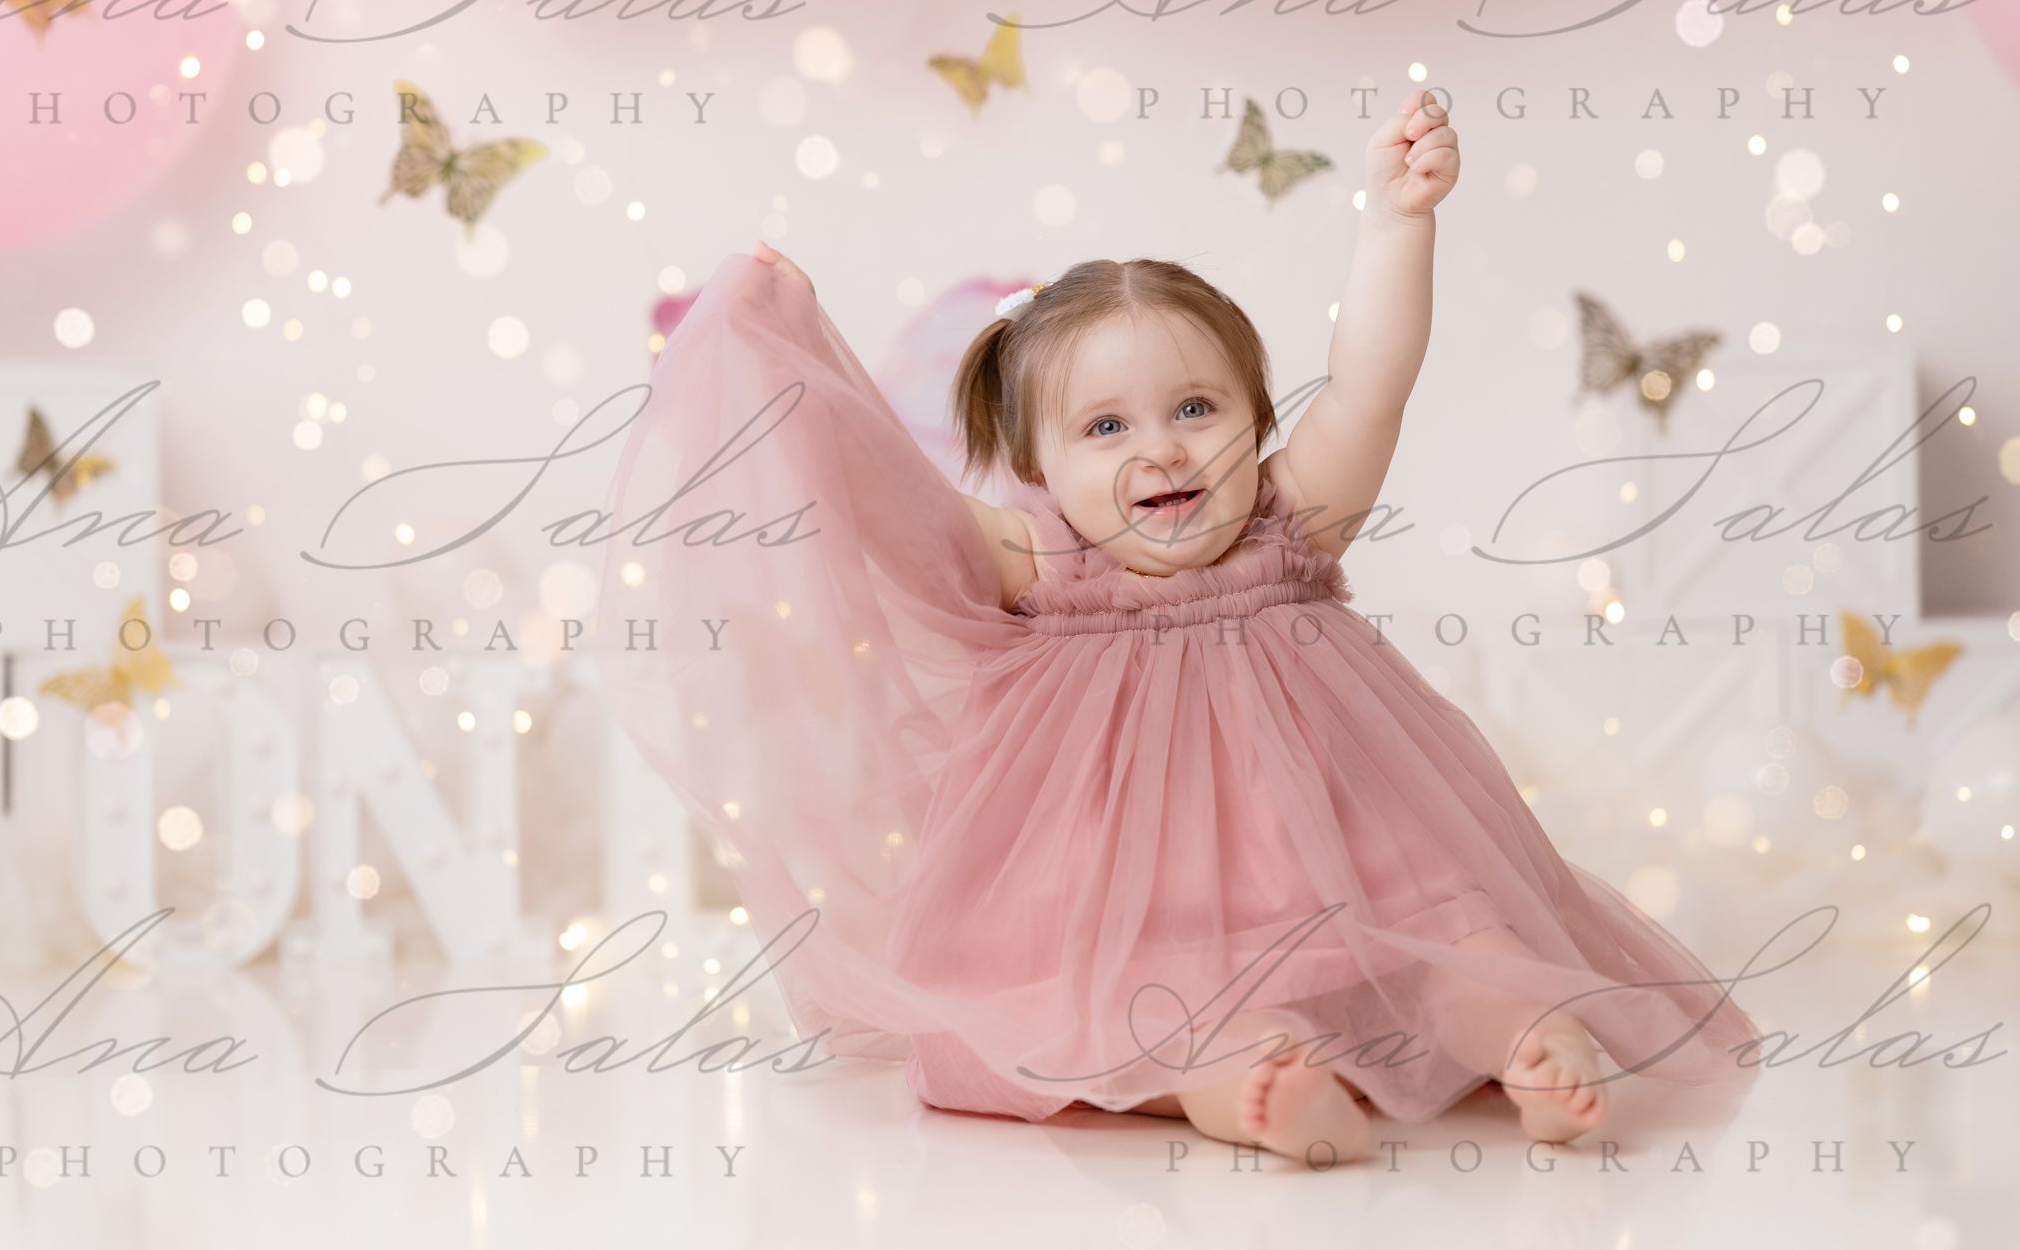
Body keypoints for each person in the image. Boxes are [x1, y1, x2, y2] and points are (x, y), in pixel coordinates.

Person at [592, 91, 1760, 1167]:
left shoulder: (1293, 519)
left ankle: (1535, 1040)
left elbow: (1369, 381)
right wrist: (785, 351)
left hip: (1361, 888)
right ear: (1037, 464)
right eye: (1104, 426)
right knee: (1140, 1023)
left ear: (1253, 416)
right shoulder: (1041, 559)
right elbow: (882, 501)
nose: (1159, 447)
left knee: (1466, 946)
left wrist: (1396, 222)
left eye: (1195, 407)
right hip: (1138, 924)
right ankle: (1252, 1087)